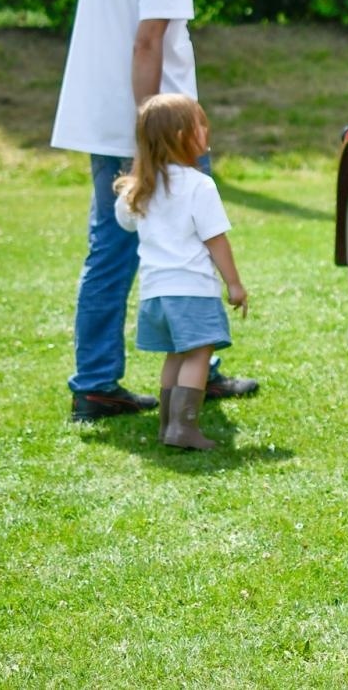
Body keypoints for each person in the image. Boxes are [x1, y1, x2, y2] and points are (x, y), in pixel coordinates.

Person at [52, 0, 259, 423]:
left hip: (104, 122)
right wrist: (152, 132)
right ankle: (198, 372)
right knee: (192, 245)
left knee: (109, 252)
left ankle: (96, 384)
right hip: (160, 130)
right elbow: (148, 43)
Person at [115, 94, 248, 450]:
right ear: (180, 136)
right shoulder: (198, 185)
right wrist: (234, 284)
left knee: (175, 354)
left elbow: (124, 222)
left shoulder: (140, 189)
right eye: (199, 124)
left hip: (155, 292)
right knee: (198, 354)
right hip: (192, 290)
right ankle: (184, 427)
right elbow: (216, 240)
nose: (207, 129)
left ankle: (167, 426)